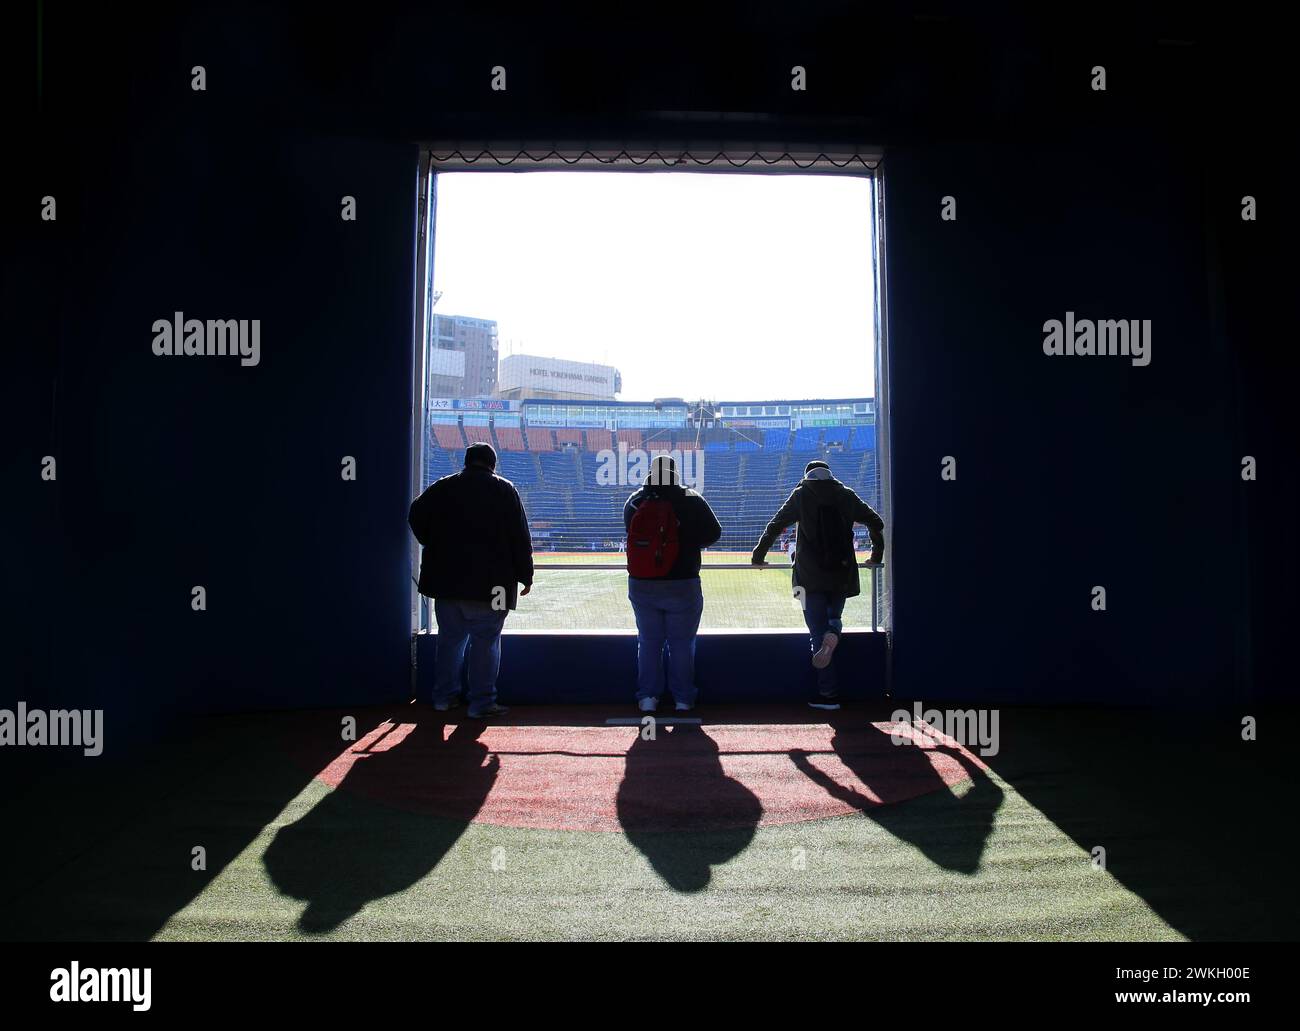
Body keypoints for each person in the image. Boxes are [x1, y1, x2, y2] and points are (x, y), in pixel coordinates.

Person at [408, 442, 534, 718]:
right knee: (486, 644)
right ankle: (481, 703)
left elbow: (415, 514)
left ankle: (443, 698)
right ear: (492, 464)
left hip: (447, 583)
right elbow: (519, 537)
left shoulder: (442, 487)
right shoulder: (504, 490)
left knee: (449, 642)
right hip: (492, 587)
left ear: (466, 461)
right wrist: (526, 576)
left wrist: (431, 541)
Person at [751, 460, 884, 710]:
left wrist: (758, 555)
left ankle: (828, 694)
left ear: (807, 475)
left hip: (808, 578)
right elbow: (876, 522)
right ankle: (834, 633)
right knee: (834, 617)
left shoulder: (801, 495)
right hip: (841, 574)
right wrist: (876, 555)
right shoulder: (846, 495)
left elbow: (776, 525)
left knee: (816, 632)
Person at [623, 455, 722, 713]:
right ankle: (683, 699)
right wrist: (687, 543)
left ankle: (647, 698)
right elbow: (714, 532)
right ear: (675, 473)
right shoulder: (691, 498)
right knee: (681, 644)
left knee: (648, 642)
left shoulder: (634, 501)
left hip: (642, 583)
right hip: (683, 582)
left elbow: (631, 533)